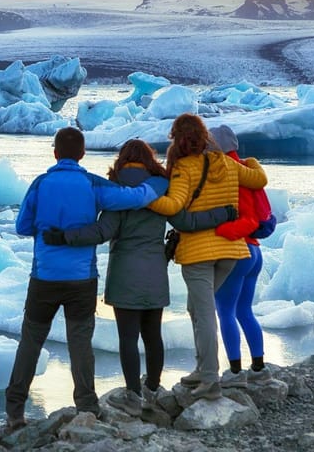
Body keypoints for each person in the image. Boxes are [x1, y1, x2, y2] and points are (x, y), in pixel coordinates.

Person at [57, 139, 235, 416]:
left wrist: (66, 236)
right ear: (149, 160)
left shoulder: (117, 193)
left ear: (122, 160)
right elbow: (188, 222)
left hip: (124, 275)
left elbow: (102, 232)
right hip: (155, 271)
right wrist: (223, 213)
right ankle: (152, 388)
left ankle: (133, 396)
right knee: (153, 336)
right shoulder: (160, 192)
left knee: (128, 338)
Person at [5, 127, 163, 432]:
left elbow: (22, 227)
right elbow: (134, 198)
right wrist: (160, 182)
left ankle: (15, 412)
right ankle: (87, 407)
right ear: (82, 154)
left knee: (31, 342)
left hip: (44, 278)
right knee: (80, 344)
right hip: (81, 280)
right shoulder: (93, 184)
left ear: (54, 153)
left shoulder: (40, 183)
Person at [147, 114, 267, 400]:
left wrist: (143, 197)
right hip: (231, 252)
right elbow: (259, 179)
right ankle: (202, 369)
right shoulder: (226, 162)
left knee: (204, 314)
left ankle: (211, 380)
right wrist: (249, 161)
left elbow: (174, 204)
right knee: (195, 308)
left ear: (178, 139)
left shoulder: (183, 168)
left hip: (199, 253)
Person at [208, 125, 272, 387]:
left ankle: (235, 372)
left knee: (225, 311)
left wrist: (218, 229)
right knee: (245, 310)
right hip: (255, 251)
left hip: (237, 250)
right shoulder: (249, 170)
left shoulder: (227, 175)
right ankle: (258, 366)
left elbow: (245, 217)